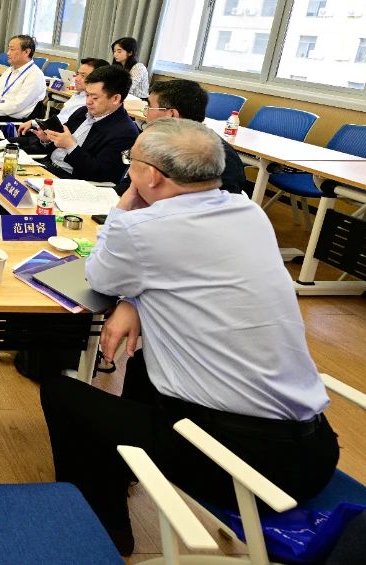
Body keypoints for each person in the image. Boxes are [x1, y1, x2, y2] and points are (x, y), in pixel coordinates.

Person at [40, 119, 338, 555]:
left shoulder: (142, 228)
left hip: (241, 465)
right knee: (143, 361)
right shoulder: (249, 213)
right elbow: (185, 274)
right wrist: (134, 301)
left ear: (151, 176)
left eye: (130, 161)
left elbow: (100, 277)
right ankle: (128, 467)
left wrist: (123, 208)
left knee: (62, 393)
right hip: (315, 451)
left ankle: (101, 529)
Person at [115, 78, 248, 196]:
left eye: (149, 107)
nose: (146, 114)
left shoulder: (217, 158)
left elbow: (215, 210)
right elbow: (131, 185)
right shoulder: (159, 141)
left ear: (171, 114)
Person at [32, 65, 138, 183]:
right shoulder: (82, 112)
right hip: (47, 166)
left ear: (115, 99)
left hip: (72, 182)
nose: (88, 101)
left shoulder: (125, 132)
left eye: (95, 97)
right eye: (87, 95)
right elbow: (57, 145)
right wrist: (48, 139)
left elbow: (102, 174)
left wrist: (70, 146)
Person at [20, 57, 108, 131]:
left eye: (83, 75)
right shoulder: (78, 94)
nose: (76, 78)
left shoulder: (89, 104)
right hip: (51, 131)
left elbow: (64, 126)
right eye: (77, 74)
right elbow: (59, 119)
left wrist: (36, 124)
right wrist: (34, 123)